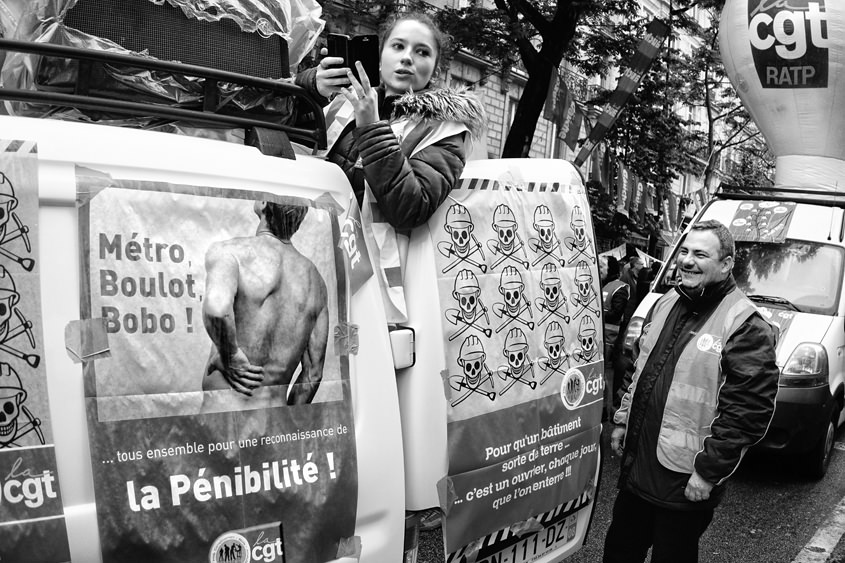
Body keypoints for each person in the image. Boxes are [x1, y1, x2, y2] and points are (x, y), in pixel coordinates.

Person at [603, 220, 778, 563]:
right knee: (619, 552)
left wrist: (708, 472)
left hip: (685, 481)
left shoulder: (745, 324)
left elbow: (748, 412)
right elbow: (639, 367)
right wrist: (622, 420)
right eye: (684, 251)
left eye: (700, 254)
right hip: (640, 467)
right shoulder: (667, 301)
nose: (686, 260)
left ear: (726, 264)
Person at [295, 11, 486, 321]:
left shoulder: (445, 129)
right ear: (380, 57)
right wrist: (311, 86)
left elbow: (410, 207)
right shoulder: (343, 102)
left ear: (435, 68)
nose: (407, 58)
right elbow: (280, 134)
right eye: (398, 46)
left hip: (373, 289)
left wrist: (370, 127)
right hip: (313, 258)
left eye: (421, 51)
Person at [201, 201, 329, 409]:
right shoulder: (316, 282)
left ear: (262, 203)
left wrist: (231, 355)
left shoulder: (231, 252)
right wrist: (289, 427)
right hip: (275, 425)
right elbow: (313, 374)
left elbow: (216, 311)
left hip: (224, 420)